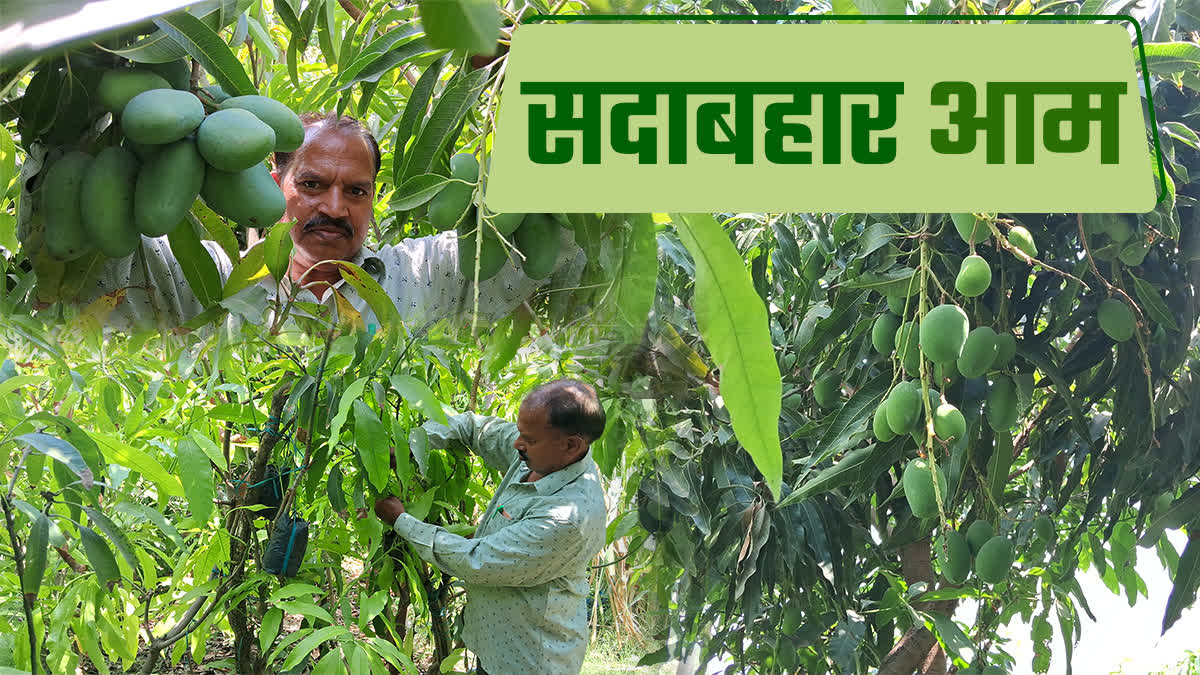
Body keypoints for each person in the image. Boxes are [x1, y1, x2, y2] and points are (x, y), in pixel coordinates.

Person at [75, 111, 582, 333]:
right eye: (313, 185)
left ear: (374, 198)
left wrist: (528, 86)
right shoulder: (205, 282)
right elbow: (92, 246)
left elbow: (557, 235)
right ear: (276, 184)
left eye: (356, 191)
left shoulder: (423, 278)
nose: (335, 209)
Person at [373, 379, 607, 675]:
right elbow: (473, 427)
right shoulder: (543, 454)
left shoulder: (568, 516)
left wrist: (401, 520)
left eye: (529, 440)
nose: (516, 444)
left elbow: (476, 561)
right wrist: (413, 447)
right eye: (521, 434)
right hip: (496, 644)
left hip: (528, 658)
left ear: (572, 445)